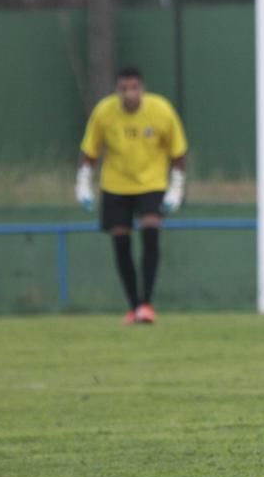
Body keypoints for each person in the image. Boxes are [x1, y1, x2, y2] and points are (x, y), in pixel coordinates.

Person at [75, 66, 188, 325]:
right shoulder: (104, 113)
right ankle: (133, 305)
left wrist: (176, 188)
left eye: (134, 88)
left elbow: (178, 152)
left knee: (150, 230)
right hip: (115, 184)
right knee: (121, 241)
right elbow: (90, 151)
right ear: (117, 90)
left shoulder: (161, 111)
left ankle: (147, 303)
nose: (129, 94)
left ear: (142, 88)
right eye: (124, 89)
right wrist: (83, 184)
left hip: (151, 182)